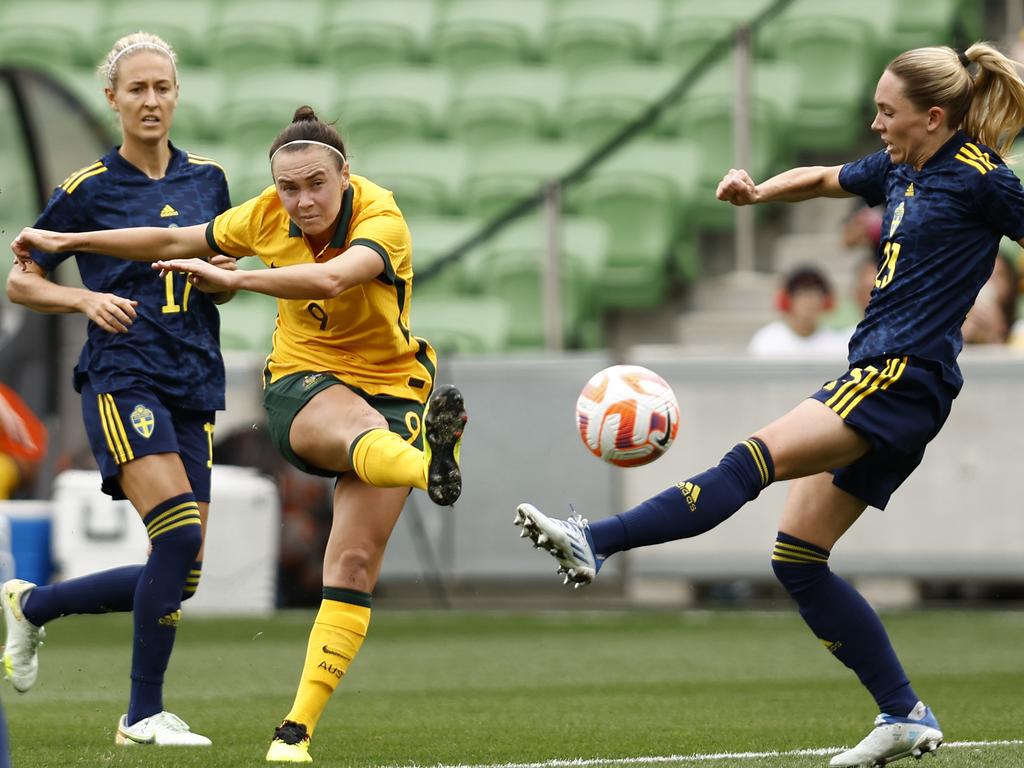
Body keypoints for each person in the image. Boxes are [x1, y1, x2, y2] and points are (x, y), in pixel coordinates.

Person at [514, 42, 1024, 768]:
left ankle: (595, 539)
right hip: (889, 378)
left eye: (887, 112)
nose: (875, 124)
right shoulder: (902, 168)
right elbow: (821, 177)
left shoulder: (983, 181)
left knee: (750, 459)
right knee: (798, 557)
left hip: (899, 376)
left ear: (933, 116)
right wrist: (757, 194)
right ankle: (902, 711)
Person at [11, 105, 468, 764]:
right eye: (289, 187)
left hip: (397, 388)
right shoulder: (260, 214)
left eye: (316, 184)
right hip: (301, 385)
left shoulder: (381, 218)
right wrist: (73, 244)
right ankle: (429, 468)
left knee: (350, 565)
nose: (302, 200)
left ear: (345, 176)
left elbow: (335, 277)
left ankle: (295, 733)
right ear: (274, 185)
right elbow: (170, 242)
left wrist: (236, 278)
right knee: (196, 527)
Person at [4, 32, 237, 746]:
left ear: (176, 95)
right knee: (177, 532)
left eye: (161, 87)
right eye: (136, 89)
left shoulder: (210, 181)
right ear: (112, 100)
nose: (151, 100)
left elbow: (219, 283)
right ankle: (140, 716)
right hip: (122, 375)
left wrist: (219, 280)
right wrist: (81, 303)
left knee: (182, 572)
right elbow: (21, 277)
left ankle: (32, 606)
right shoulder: (87, 190)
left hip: (194, 376)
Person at [747, 265, 848, 357]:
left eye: (817, 293)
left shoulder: (837, 345)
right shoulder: (766, 341)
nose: (810, 299)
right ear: (786, 300)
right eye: (802, 293)